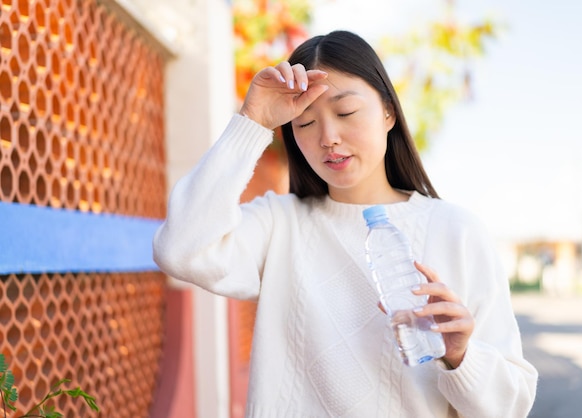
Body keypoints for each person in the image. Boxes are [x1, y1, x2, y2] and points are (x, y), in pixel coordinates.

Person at [153, 30, 538, 417]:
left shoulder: (459, 231)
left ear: (388, 111)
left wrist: (462, 357)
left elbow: (511, 406)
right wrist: (252, 122)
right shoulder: (278, 224)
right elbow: (181, 249)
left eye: (346, 112)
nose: (328, 138)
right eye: (304, 123)